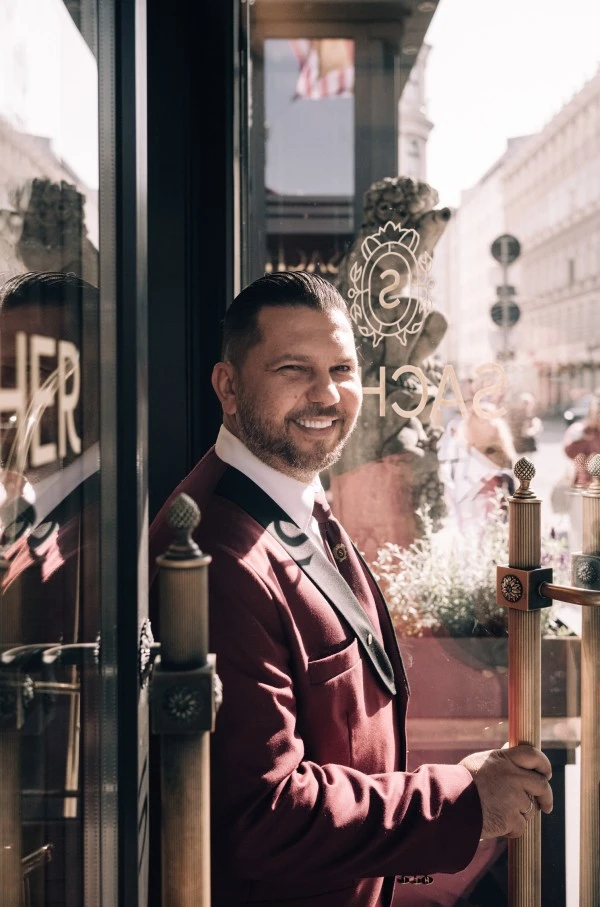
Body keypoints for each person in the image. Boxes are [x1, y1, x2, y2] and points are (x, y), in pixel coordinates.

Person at [149, 272, 553, 907]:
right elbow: (261, 815)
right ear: (228, 387)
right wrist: (460, 801)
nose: (327, 394)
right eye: (293, 369)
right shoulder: (218, 556)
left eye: (341, 368)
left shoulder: (293, 496)